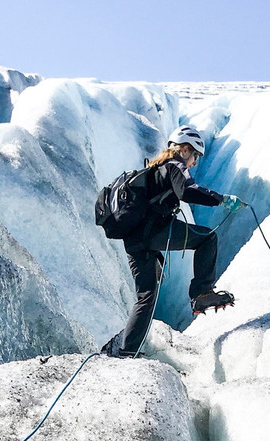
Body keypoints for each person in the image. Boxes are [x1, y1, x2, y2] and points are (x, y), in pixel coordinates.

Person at [103, 126, 243, 358]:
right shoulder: (176, 165)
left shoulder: (154, 168)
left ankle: (127, 351)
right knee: (208, 238)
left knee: (147, 295)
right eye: (195, 156)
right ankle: (202, 294)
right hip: (156, 231)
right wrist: (222, 200)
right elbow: (187, 191)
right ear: (185, 149)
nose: (195, 163)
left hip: (134, 240)